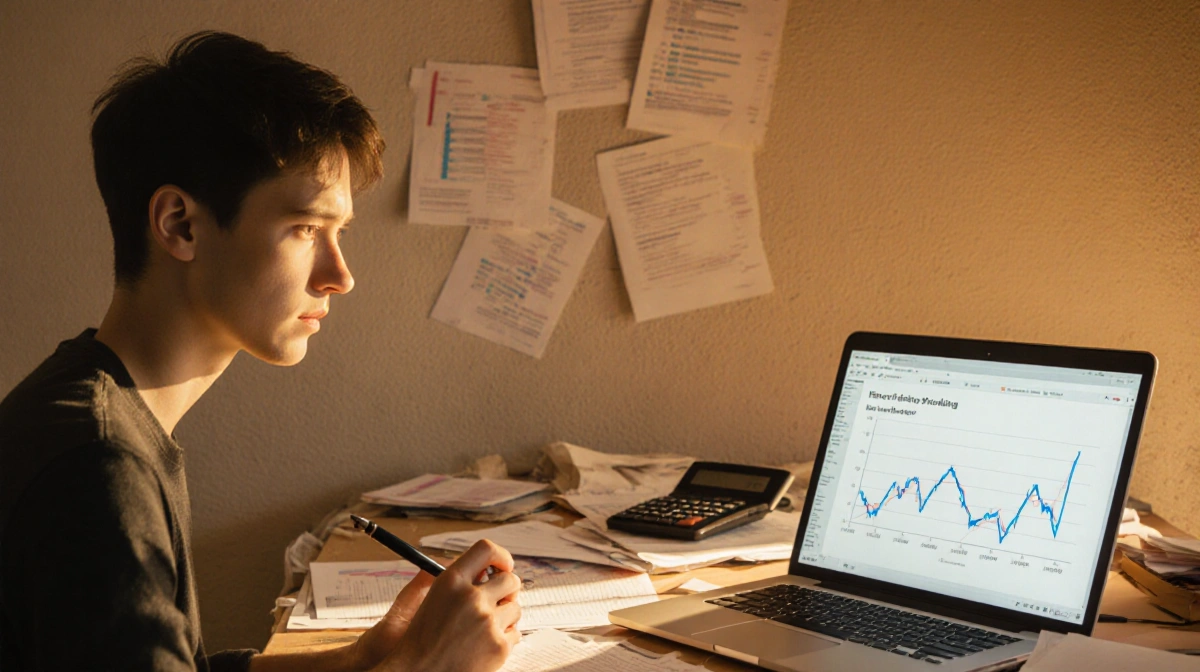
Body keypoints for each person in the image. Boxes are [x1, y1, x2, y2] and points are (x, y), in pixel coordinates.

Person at [0, 31, 521, 672]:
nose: (340, 275)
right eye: (305, 228)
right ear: (179, 225)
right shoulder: (97, 471)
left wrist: (363, 661)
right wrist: (427, 667)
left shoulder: (102, 413)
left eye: (340, 233)